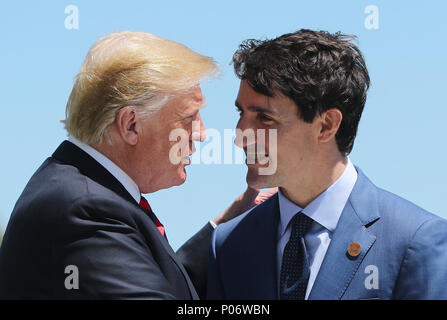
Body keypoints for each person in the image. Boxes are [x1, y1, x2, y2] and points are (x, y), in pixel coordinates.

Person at [0, 31, 261, 299]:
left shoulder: (81, 189)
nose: (201, 133)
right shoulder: (86, 209)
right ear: (131, 125)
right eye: (189, 117)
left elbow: (156, 285)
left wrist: (224, 225)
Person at [207, 29, 447, 300]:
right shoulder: (228, 244)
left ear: (326, 126)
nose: (240, 137)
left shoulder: (416, 241)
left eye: (264, 117)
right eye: (242, 113)